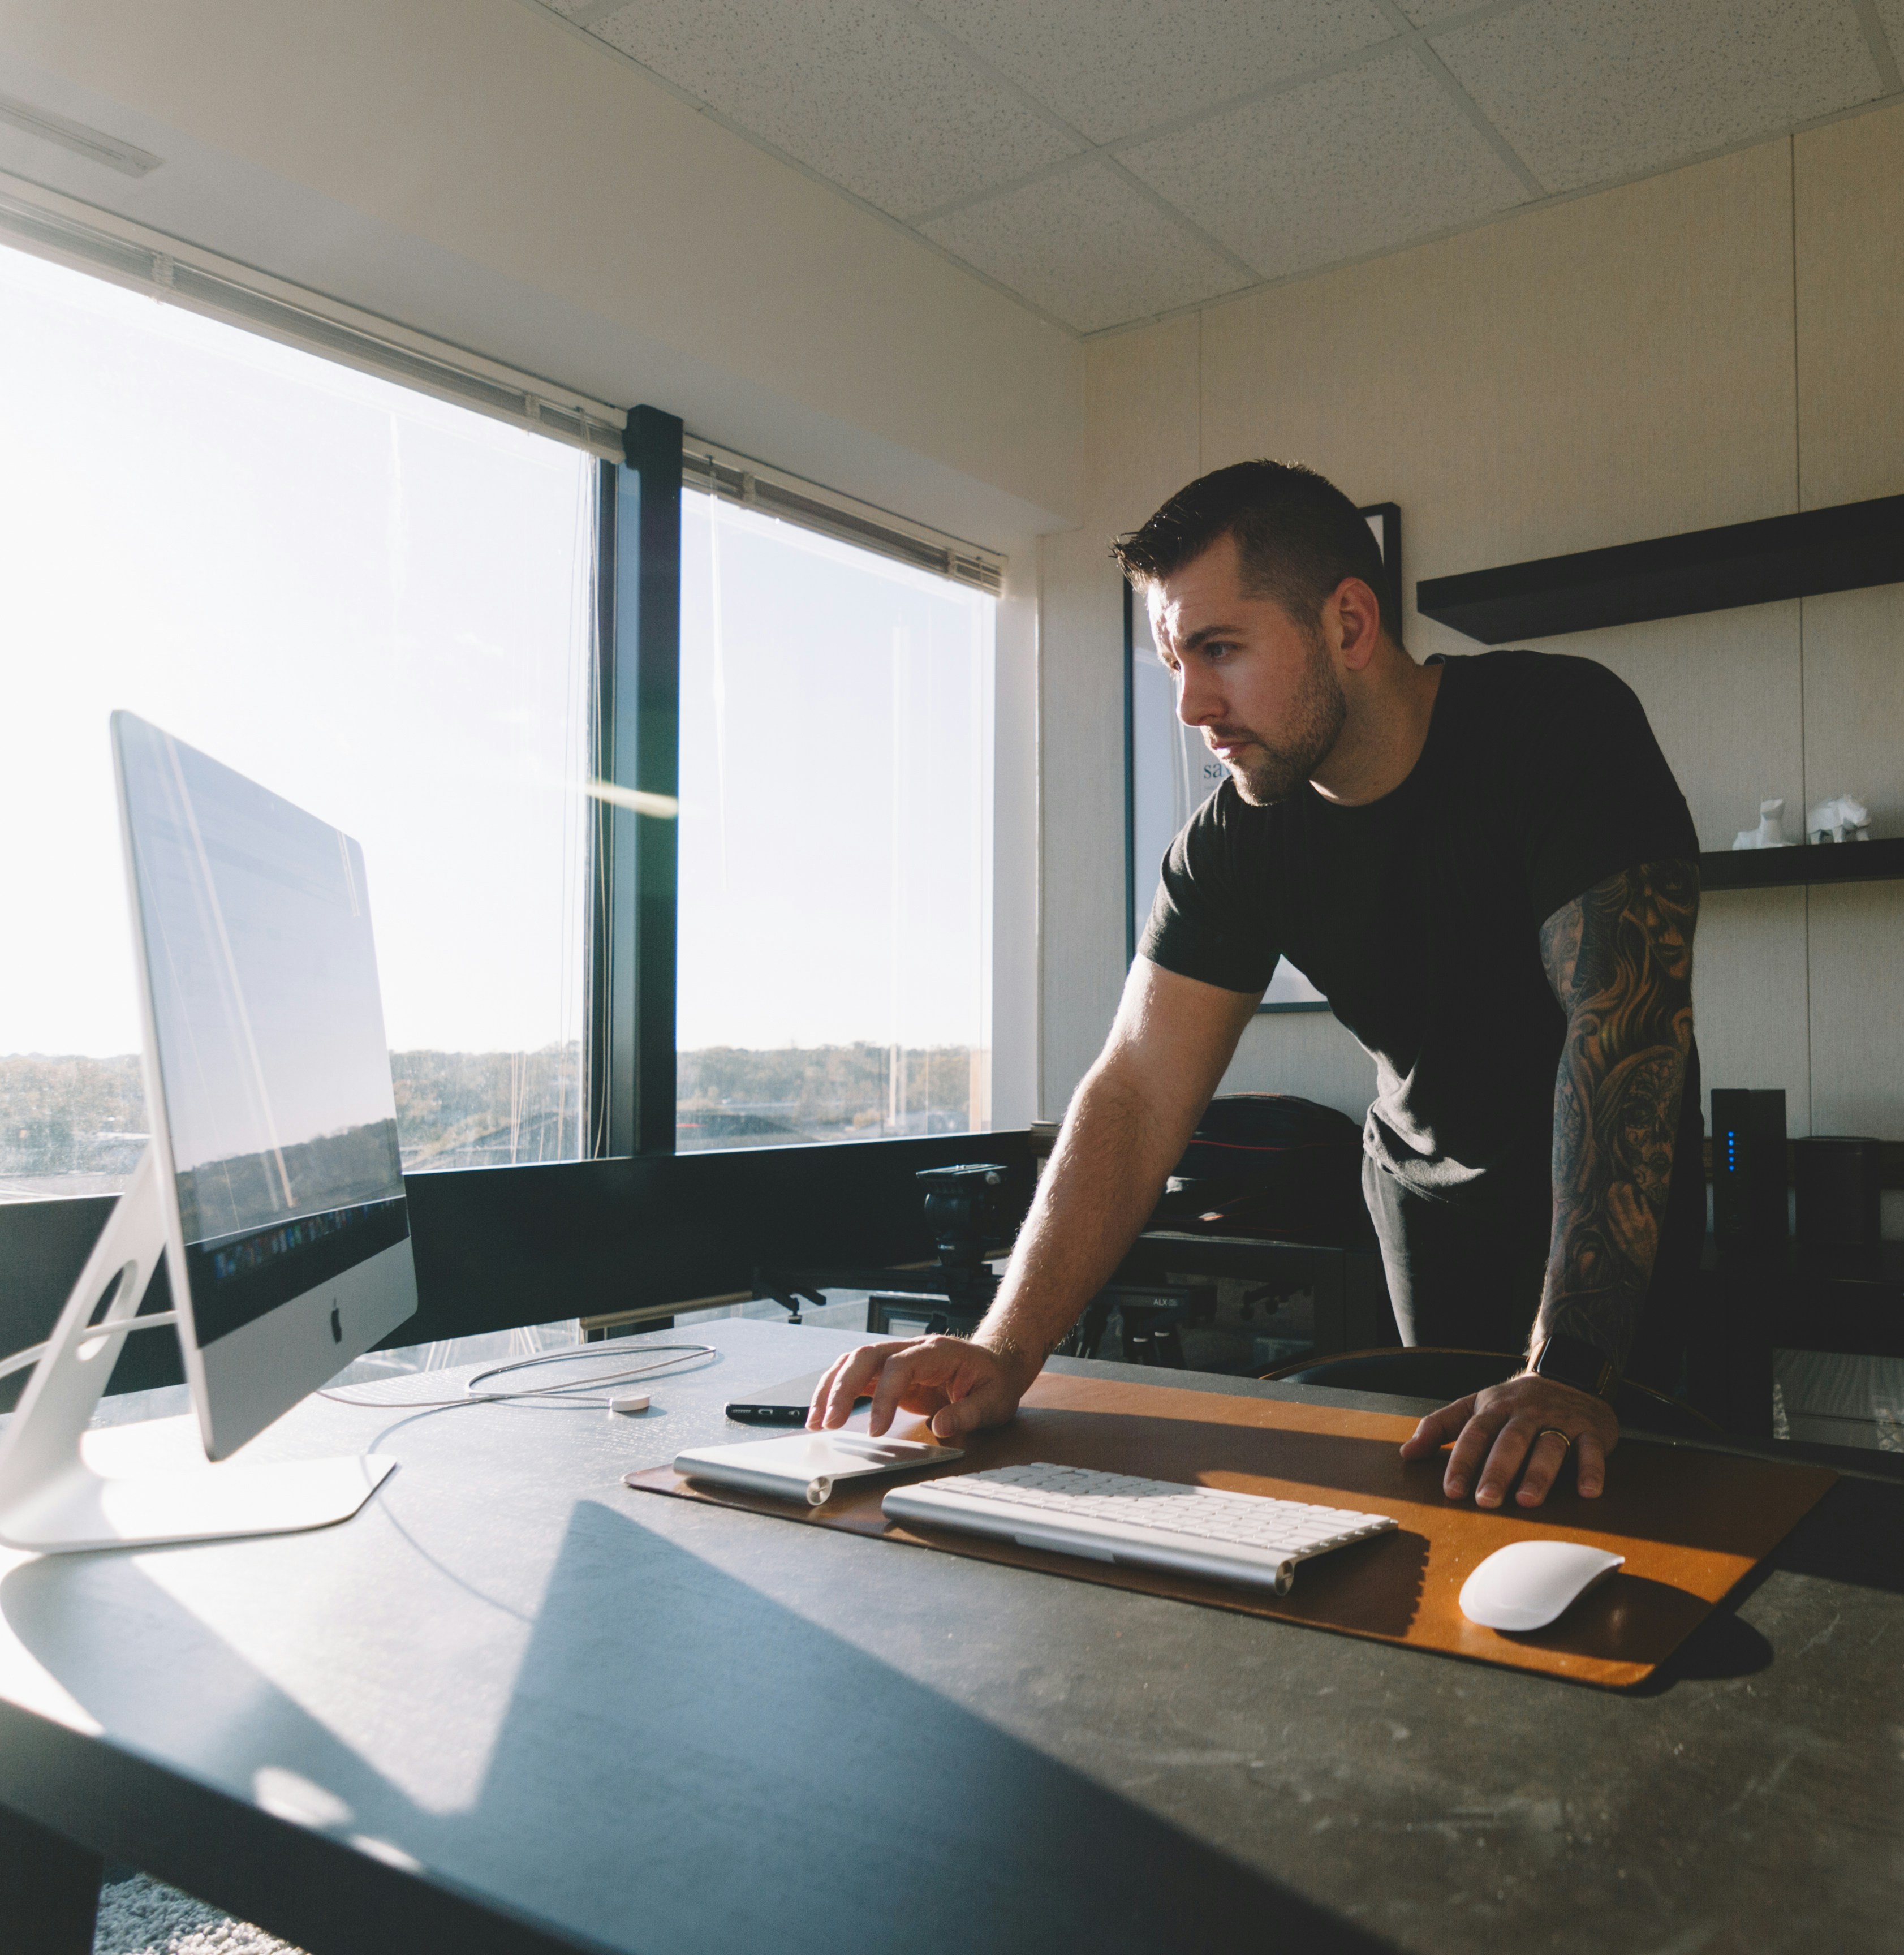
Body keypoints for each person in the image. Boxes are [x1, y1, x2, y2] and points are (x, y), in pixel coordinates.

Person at [811, 460, 1702, 1512]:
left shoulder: (1559, 725)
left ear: (1349, 625)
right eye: (1173, 660)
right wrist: (1003, 1347)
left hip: (1609, 1194)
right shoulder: (1230, 844)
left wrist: (1566, 1370)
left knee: (1645, 1501)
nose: (1191, 703)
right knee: (1467, 1506)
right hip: (1422, 1198)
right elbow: (1139, 1088)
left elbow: (1620, 1033)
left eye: (1219, 649)